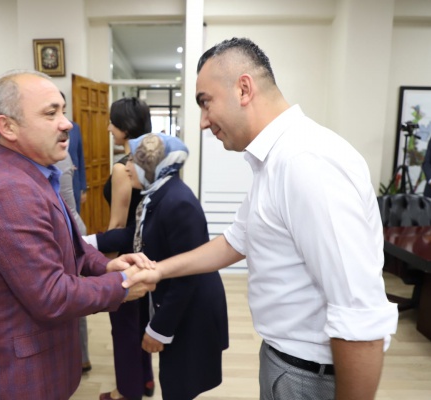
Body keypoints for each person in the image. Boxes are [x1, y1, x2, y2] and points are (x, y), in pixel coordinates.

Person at [124, 37, 399, 400]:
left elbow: (359, 315)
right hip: (285, 361)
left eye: (206, 103)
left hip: (311, 376)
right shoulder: (275, 160)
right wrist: (159, 271)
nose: (203, 122)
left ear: (243, 89)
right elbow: (236, 240)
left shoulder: (306, 162)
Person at [0, 70, 154, 400]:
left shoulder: (35, 174)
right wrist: (121, 285)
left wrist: (106, 265)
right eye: (51, 113)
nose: (67, 124)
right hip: (18, 375)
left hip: (44, 359)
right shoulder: (9, 192)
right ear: (8, 127)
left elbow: (72, 244)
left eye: (63, 111)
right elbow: (50, 295)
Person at [91, 133, 229, 400]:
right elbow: (134, 233)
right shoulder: (158, 192)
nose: (127, 167)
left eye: (134, 160)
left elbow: (187, 276)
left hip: (190, 310)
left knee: (178, 384)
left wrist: (159, 330)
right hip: (177, 303)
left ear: (153, 165)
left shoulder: (179, 203)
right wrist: (88, 241)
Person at [101, 97, 154, 400]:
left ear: (125, 126)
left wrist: (106, 266)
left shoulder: (123, 168)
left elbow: (118, 223)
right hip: (146, 250)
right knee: (141, 321)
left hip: (126, 254)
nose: (109, 127)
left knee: (124, 328)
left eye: (112, 122)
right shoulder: (151, 161)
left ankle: (126, 391)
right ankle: (145, 380)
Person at [57, 153, 92, 373]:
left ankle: (80, 358)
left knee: (71, 295)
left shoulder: (58, 154)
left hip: (70, 232)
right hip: (71, 230)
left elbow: (68, 205)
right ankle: (79, 358)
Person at [60, 91, 88, 213]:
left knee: (75, 215)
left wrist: (83, 187)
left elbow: (80, 157)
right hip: (56, 182)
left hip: (74, 182)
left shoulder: (73, 127)